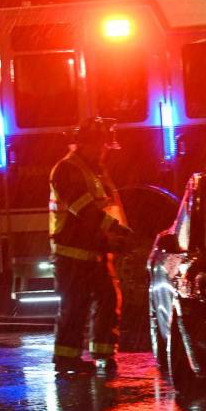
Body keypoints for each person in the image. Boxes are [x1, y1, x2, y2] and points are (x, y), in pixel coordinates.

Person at [49, 117, 134, 375]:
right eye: (99, 145)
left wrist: (117, 238)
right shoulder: (66, 170)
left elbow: (108, 207)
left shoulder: (95, 170)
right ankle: (66, 359)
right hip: (72, 254)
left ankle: (104, 354)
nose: (103, 151)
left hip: (96, 250)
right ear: (84, 144)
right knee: (75, 306)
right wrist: (116, 230)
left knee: (109, 299)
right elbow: (84, 209)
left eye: (105, 146)